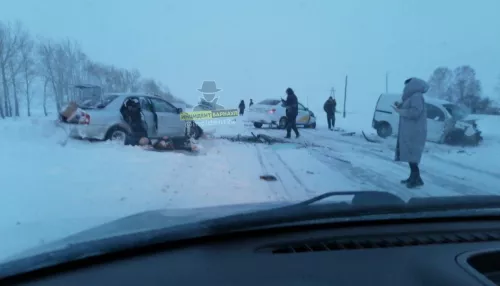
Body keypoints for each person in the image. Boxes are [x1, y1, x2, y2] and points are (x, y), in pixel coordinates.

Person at [393, 77, 428, 188]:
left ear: (412, 85)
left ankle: (416, 179)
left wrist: (400, 111)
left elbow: (415, 112)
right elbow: (411, 108)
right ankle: (415, 177)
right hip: (411, 130)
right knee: (411, 155)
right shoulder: (413, 96)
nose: (405, 88)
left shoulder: (417, 96)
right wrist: (401, 106)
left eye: (406, 85)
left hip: (415, 131)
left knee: (412, 155)